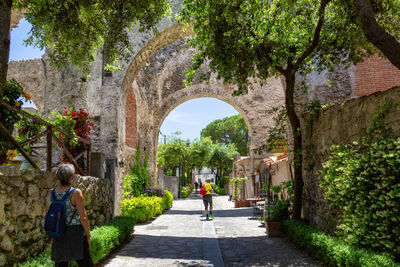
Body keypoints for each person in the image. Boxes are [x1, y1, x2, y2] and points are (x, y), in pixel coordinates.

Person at [51, 164, 93, 267]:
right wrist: (88, 235)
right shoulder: (76, 193)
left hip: (59, 232)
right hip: (75, 233)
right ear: (72, 177)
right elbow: (83, 217)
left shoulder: (52, 192)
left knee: (61, 264)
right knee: (86, 263)